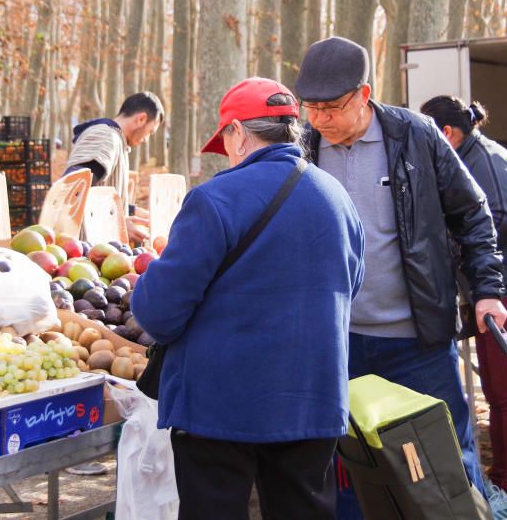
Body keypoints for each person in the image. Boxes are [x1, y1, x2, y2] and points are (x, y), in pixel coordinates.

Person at [130, 78, 365, 520]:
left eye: (227, 140)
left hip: (220, 409)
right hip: (313, 401)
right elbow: (352, 286)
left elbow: (159, 314)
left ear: (238, 132)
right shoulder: (337, 197)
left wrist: (149, 278)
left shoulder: (213, 200)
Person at [292, 36, 507, 517]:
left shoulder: (417, 135)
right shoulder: (304, 147)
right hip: (339, 341)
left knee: (444, 457)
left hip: (417, 339)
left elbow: (473, 215)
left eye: (332, 107)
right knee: (347, 465)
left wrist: (488, 290)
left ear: (364, 95)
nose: (320, 118)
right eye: (311, 108)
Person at [421, 96, 507, 519]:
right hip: (501, 288)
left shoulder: (485, 159)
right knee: (499, 395)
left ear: (446, 134)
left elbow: (500, 217)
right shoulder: (468, 155)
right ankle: (503, 484)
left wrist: (445, 239)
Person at [65, 91, 164, 245]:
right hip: (85, 250)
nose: (146, 139)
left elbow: (97, 192)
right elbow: (72, 193)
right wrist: (119, 224)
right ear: (141, 119)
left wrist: (131, 211)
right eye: (150, 132)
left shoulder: (116, 140)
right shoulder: (106, 137)